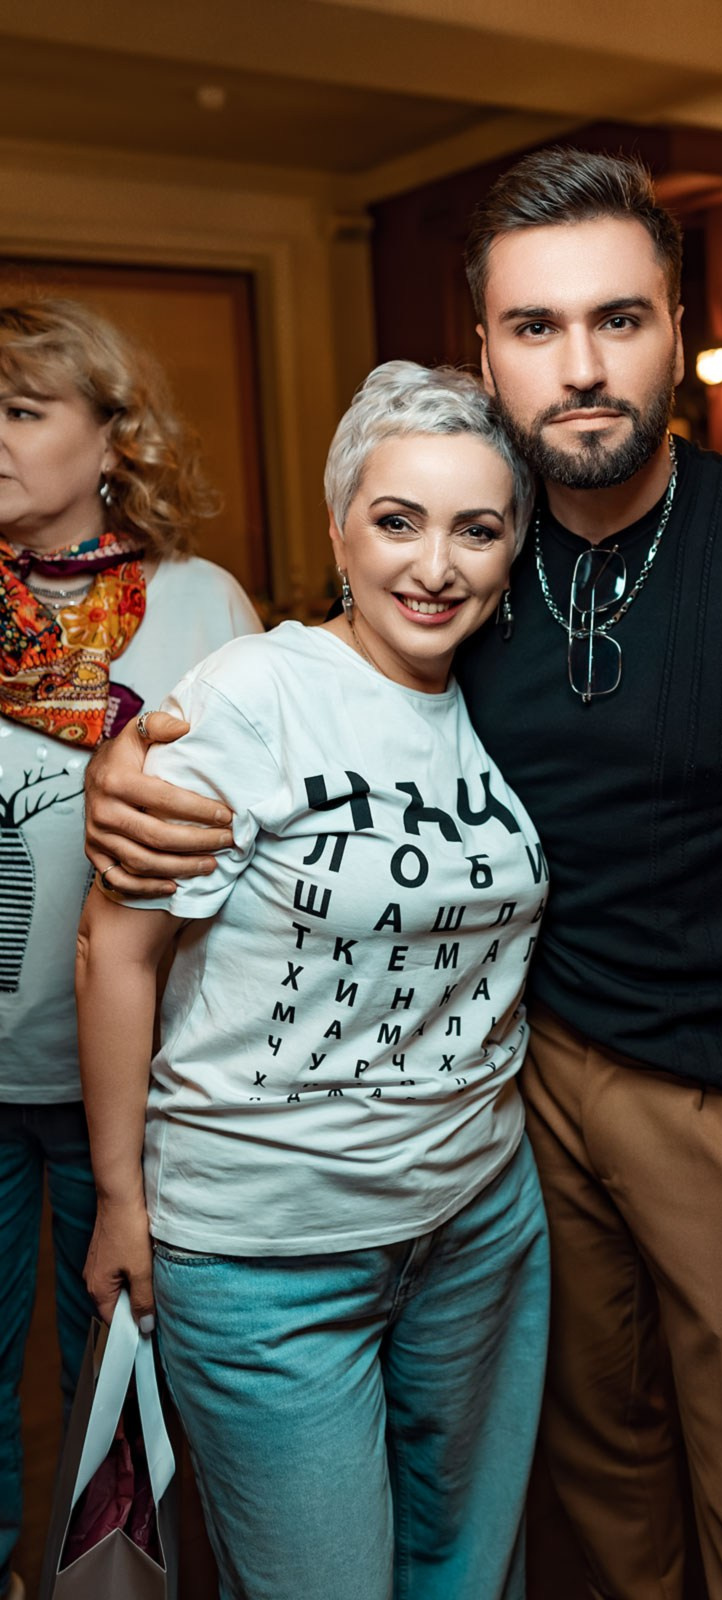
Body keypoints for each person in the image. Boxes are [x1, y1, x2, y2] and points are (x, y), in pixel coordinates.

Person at [82, 149, 722, 1600]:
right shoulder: (476, 541)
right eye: (535, 327)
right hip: (513, 1091)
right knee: (594, 1480)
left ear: (675, 329)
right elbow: (327, 693)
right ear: (485, 353)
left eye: (618, 318)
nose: (582, 366)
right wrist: (133, 768)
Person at [75, 361, 548, 1600]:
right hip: (266, 1251)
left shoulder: (505, 700)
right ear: (340, 528)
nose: (435, 566)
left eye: (476, 529)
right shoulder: (252, 694)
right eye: (397, 521)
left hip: (477, 1222)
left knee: (467, 1571)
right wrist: (121, 1198)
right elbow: (115, 949)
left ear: (512, 550)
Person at [0, 296, 260, 1600]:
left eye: (19, 410)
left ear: (112, 436)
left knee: (119, 1382)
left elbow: (264, 842)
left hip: (138, 1085)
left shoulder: (201, 606)